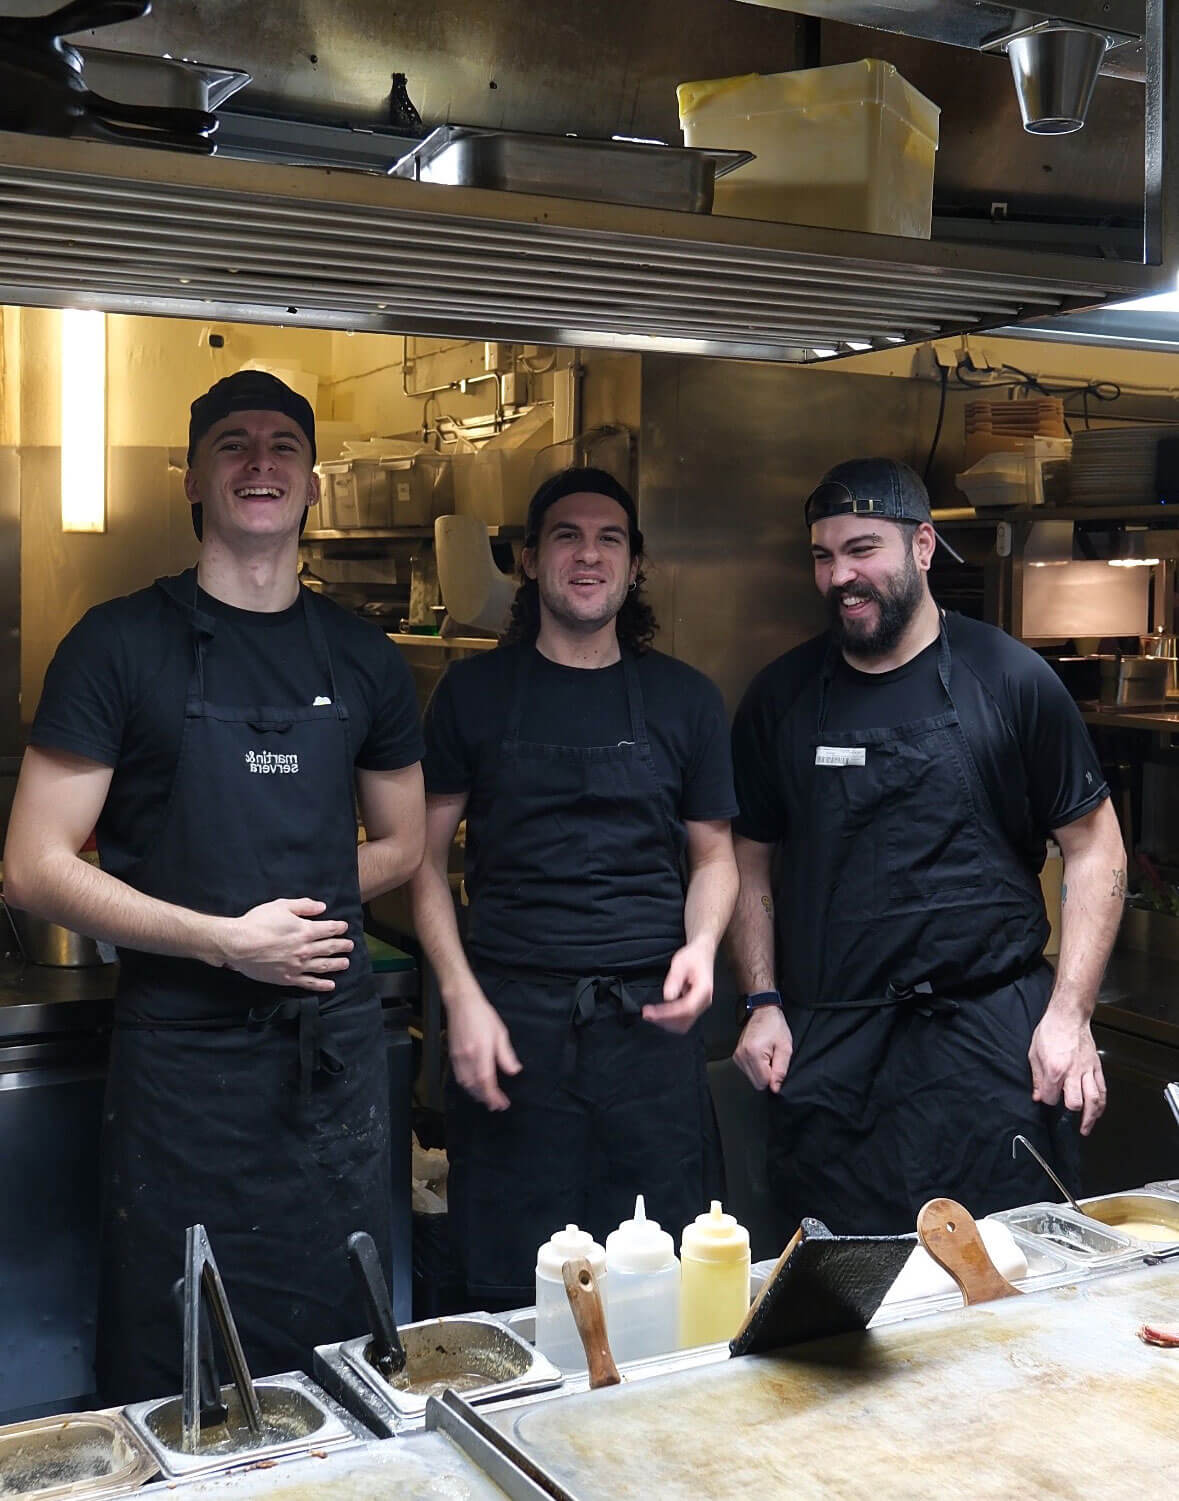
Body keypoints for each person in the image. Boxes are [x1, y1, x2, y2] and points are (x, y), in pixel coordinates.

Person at [3, 371, 425, 1403]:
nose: (260, 462)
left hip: (331, 1068)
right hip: (183, 1074)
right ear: (189, 476)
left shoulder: (363, 655)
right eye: (232, 443)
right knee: (176, 1354)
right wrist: (222, 937)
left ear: (314, 482)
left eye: (283, 444)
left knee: (338, 1361)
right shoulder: (117, 644)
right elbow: (32, 863)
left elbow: (406, 841)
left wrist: (305, 913)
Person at [728, 457, 1125, 1240]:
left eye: (862, 548)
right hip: (834, 1049)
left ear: (920, 546)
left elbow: (1095, 845)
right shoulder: (780, 698)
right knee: (841, 1315)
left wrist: (1069, 1015)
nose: (840, 574)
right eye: (822, 555)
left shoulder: (1010, 679)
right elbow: (747, 858)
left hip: (989, 1050)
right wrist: (762, 1000)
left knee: (1010, 1288)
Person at [411, 466, 739, 1307]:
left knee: (656, 1277)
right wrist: (461, 997)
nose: (588, 555)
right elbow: (419, 858)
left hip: (650, 1032)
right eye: (566, 535)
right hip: (513, 1027)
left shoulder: (684, 699)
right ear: (528, 559)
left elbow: (713, 856)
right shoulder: (471, 695)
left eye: (609, 539)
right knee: (513, 1282)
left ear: (634, 566)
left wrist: (702, 947)